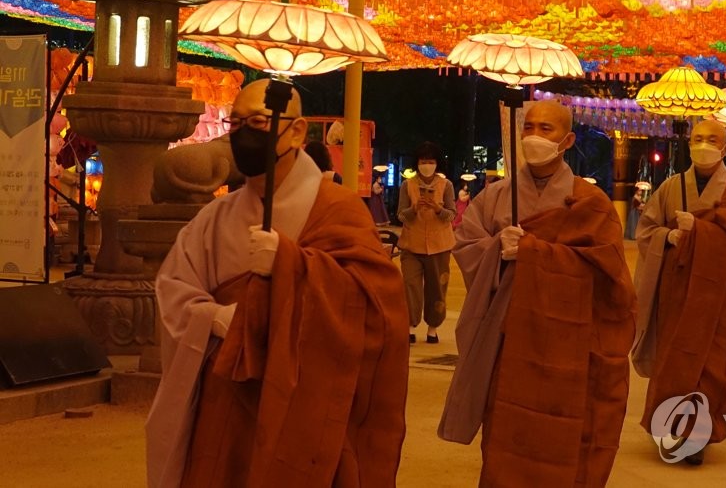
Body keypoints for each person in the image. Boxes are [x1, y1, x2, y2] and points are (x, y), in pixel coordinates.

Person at [147, 79, 408, 488]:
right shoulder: (216, 218)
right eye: (236, 125)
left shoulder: (339, 210)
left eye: (257, 122)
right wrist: (213, 318)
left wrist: (293, 265)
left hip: (306, 399)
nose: (244, 135)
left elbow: (376, 305)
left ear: (298, 131)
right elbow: (173, 286)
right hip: (228, 399)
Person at [438, 100, 636, 487]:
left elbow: (612, 279)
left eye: (546, 129)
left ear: (567, 140)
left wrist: (533, 252)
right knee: (506, 435)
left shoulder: (591, 203)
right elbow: (465, 246)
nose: (534, 136)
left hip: (568, 344)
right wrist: (497, 247)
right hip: (509, 339)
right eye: (528, 127)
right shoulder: (495, 196)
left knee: (562, 437)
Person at [633, 119, 726, 465]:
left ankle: (696, 436)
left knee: (710, 364)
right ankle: (671, 426)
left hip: (718, 295)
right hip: (677, 291)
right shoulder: (670, 187)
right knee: (674, 359)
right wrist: (670, 236)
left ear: (725, 149)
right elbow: (647, 231)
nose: (703, 145)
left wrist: (699, 232)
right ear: (688, 143)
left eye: (712, 139)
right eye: (698, 138)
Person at [397, 142, 456, 344]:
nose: (427, 165)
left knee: (437, 288)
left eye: (431, 161)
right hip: (411, 245)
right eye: (423, 161)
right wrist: (414, 209)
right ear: (417, 163)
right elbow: (401, 216)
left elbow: (452, 214)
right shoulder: (408, 185)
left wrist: (438, 209)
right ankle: (409, 326)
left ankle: (433, 328)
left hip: (440, 246)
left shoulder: (446, 185)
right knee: (410, 286)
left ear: (437, 163)